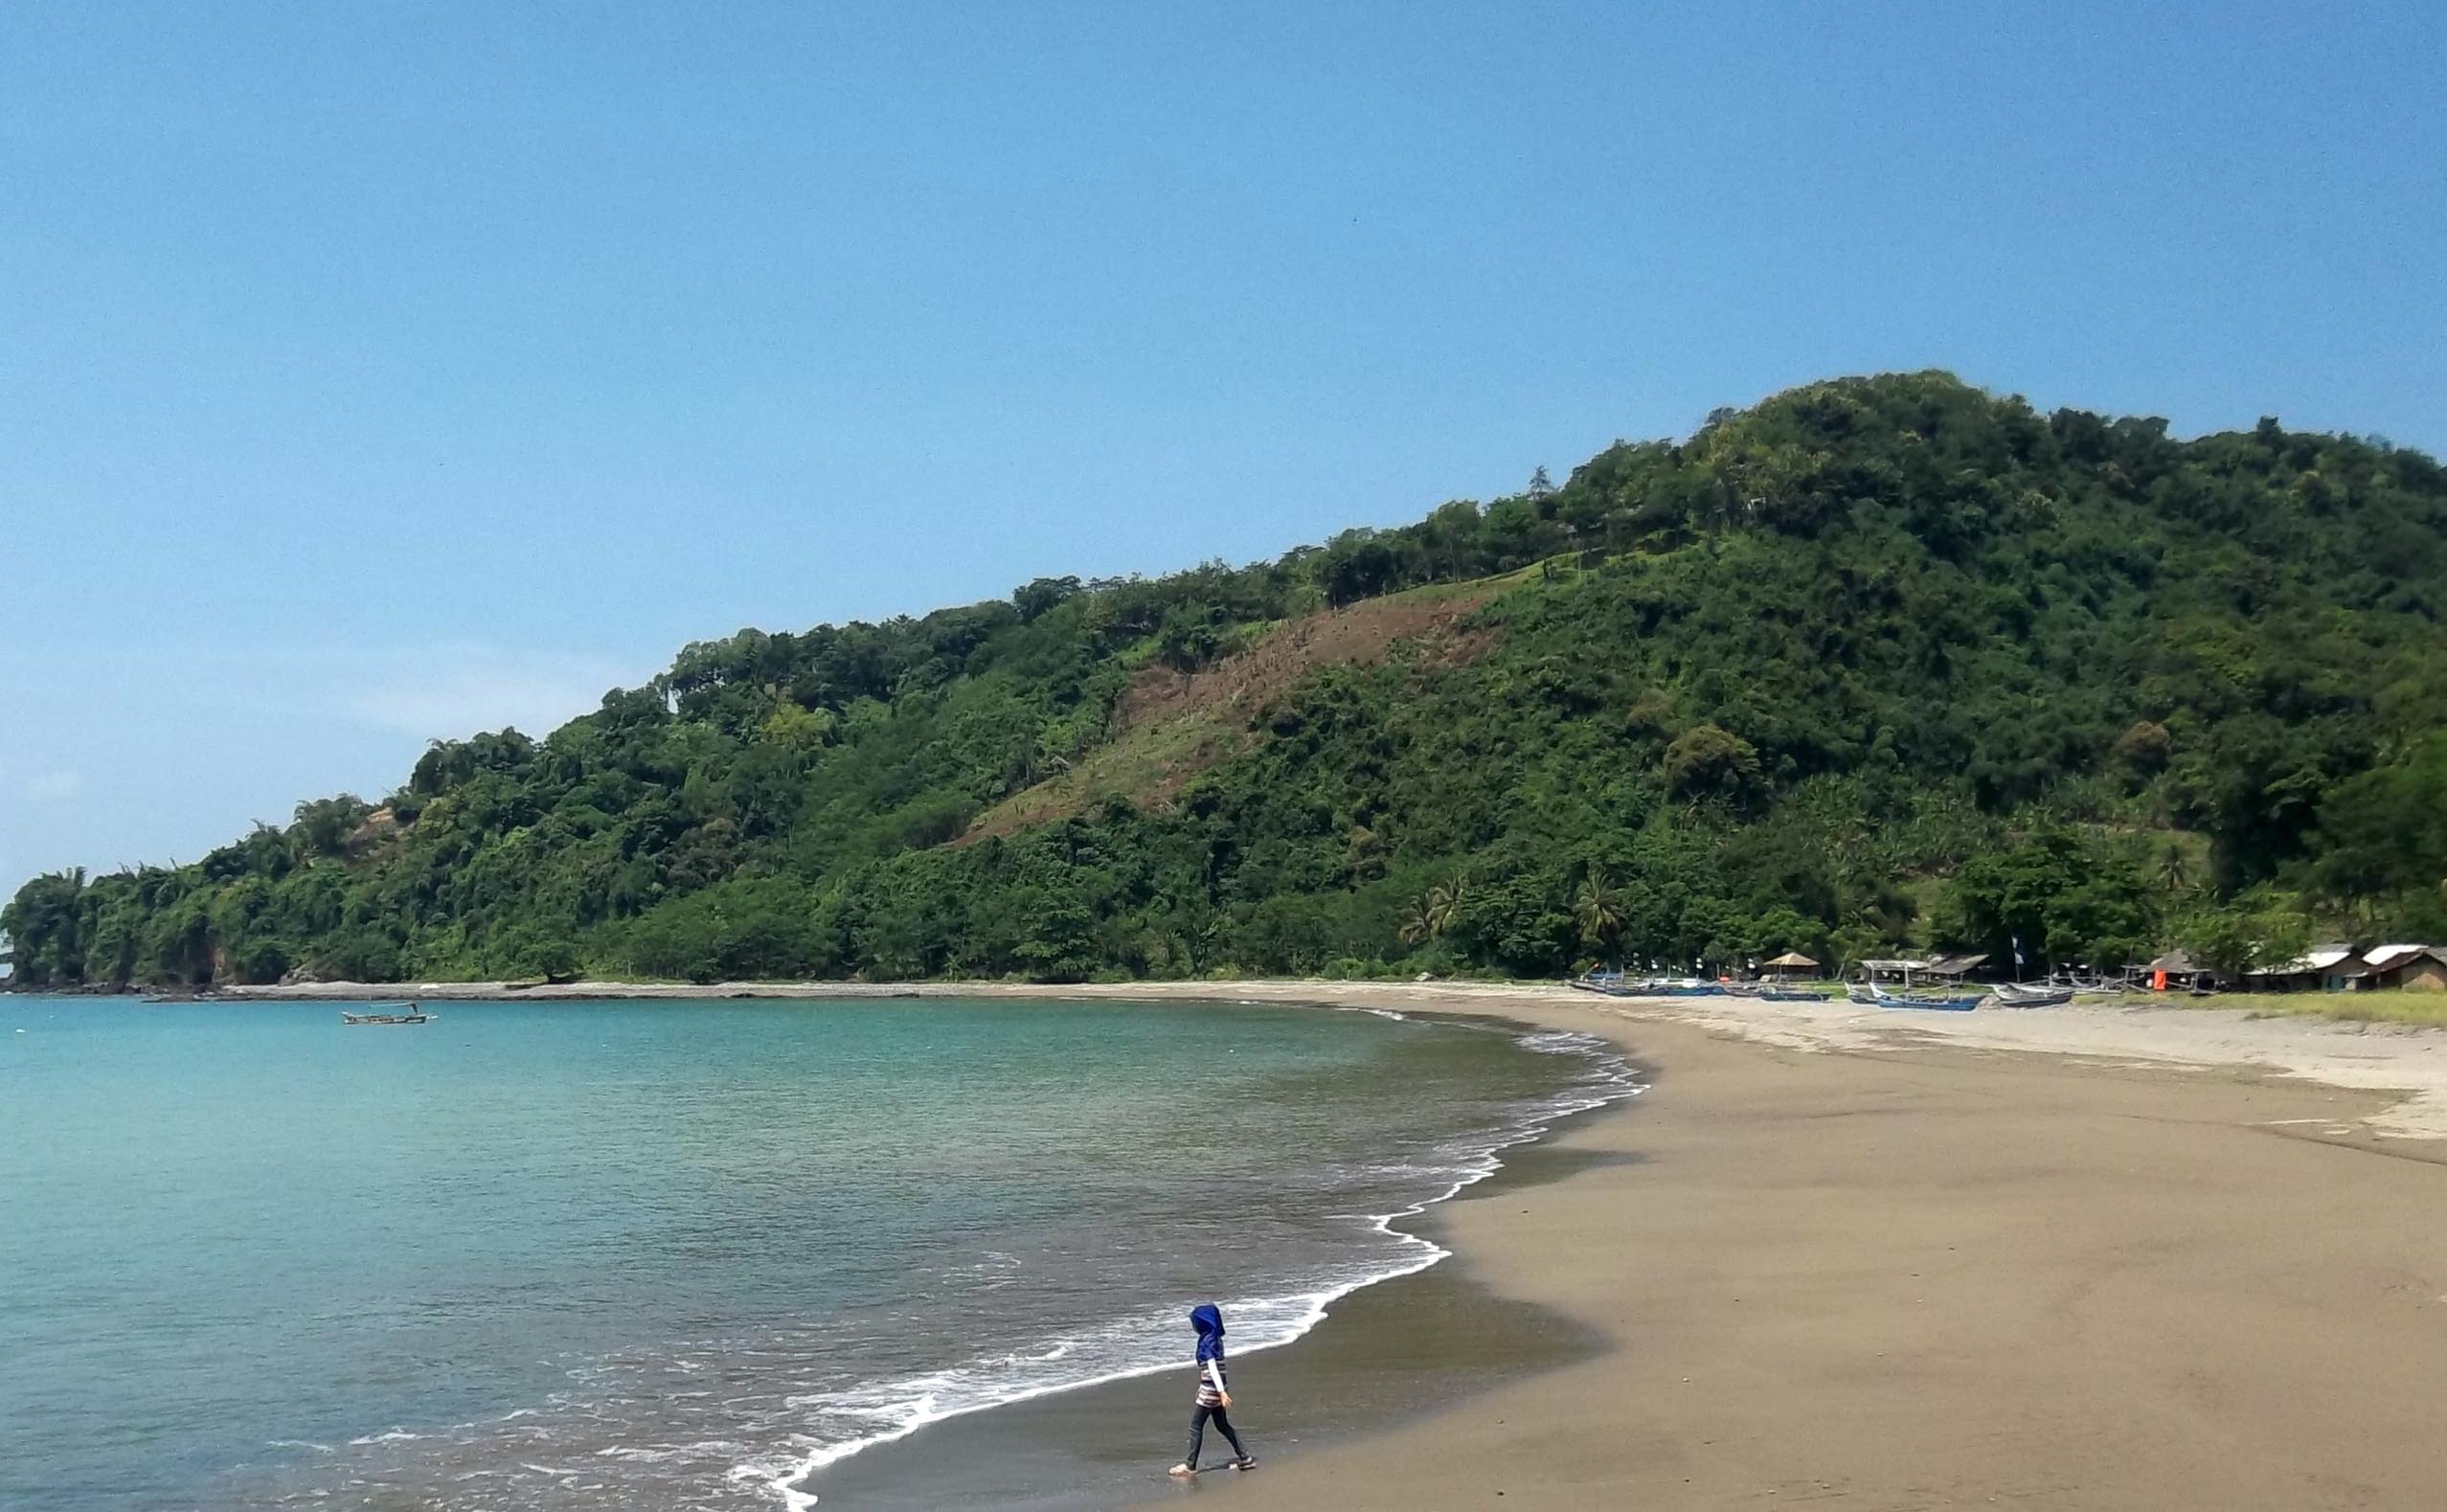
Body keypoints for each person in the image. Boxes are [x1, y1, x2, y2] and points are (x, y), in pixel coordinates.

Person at [1167, 1303, 1256, 1477]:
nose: (1194, 1326)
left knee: (1196, 1426)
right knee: (1222, 1425)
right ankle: (1245, 1457)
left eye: (1195, 1323)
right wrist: (1219, 1390)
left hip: (1212, 1389)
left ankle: (1190, 1466)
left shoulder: (1206, 1341)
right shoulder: (1216, 1339)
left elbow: (1212, 1367)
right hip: (1214, 1388)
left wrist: (1221, 1392)